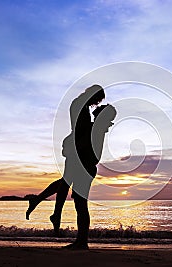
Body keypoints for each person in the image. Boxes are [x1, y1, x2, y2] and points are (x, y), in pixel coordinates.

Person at [26, 85, 116, 250]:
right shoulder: (81, 107)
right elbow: (79, 130)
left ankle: (74, 233)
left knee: (76, 198)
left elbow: (83, 132)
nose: (96, 104)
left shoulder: (89, 116)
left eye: (99, 104)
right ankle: (60, 219)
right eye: (97, 100)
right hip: (80, 156)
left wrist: (71, 142)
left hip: (83, 160)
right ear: (92, 94)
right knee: (70, 189)